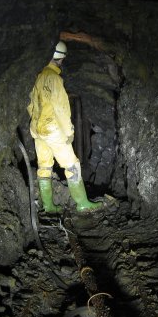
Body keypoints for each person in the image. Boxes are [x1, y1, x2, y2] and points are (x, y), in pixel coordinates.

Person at [27, 41, 101, 213]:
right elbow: (61, 109)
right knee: (72, 165)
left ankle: (48, 206)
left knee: (44, 166)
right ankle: (82, 204)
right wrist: (69, 132)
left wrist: (36, 123)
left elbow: (30, 105)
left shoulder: (38, 77)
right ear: (60, 59)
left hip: (37, 130)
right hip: (53, 130)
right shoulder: (54, 79)